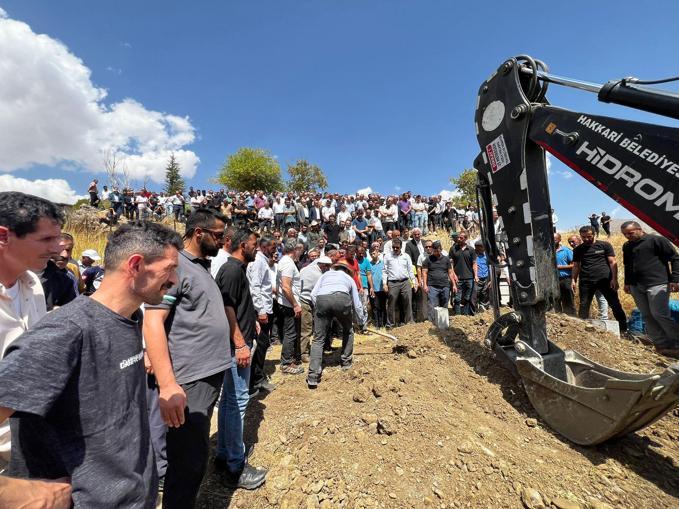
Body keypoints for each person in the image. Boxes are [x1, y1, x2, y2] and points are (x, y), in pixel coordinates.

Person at [0, 221, 184, 508]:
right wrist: (13, 493)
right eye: (169, 268)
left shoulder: (127, 321)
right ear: (135, 265)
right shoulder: (65, 333)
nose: (174, 280)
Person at [143, 208, 232, 509]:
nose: (223, 241)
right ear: (199, 233)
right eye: (218, 235)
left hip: (205, 374)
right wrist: (168, 385)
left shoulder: (199, 267)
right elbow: (153, 320)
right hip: (189, 377)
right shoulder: (176, 266)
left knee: (192, 456)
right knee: (187, 461)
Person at [0, 192, 63, 478]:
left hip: (31, 444)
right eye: (46, 239)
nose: (58, 247)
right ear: (4, 236)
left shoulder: (34, 284)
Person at [214, 229, 267, 490]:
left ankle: (224, 454)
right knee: (238, 402)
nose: (257, 248)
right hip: (236, 347)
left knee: (228, 402)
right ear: (243, 245)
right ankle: (236, 465)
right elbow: (226, 307)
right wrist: (239, 343)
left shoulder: (235, 269)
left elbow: (237, 303)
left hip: (238, 342)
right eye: (255, 245)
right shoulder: (233, 270)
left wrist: (253, 319)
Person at [621, 221, 679, 355]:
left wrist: (676, 279)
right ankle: (661, 345)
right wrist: (627, 283)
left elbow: (675, 258)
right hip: (637, 286)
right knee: (647, 315)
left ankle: (677, 341)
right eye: (625, 234)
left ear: (639, 229)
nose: (627, 236)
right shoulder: (627, 246)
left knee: (660, 314)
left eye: (630, 233)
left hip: (657, 283)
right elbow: (627, 265)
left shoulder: (656, 240)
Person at [307, 261, 365, 388]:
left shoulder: (325, 275)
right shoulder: (348, 278)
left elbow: (312, 295)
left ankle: (313, 375)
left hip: (322, 299)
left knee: (318, 339)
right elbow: (357, 303)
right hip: (341, 298)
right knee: (348, 331)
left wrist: (321, 309)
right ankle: (346, 362)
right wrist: (361, 322)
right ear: (346, 271)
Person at [572, 225, 627, 333]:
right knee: (583, 305)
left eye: (589, 236)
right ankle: (582, 330)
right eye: (583, 237)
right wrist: (573, 280)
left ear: (594, 234)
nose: (586, 239)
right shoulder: (578, 249)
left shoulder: (604, 245)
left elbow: (612, 262)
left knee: (614, 304)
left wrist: (614, 279)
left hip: (605, 280)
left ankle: (624, 329)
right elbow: (576, 266)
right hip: (586, 281)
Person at [247, 236, 277, 396]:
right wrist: (261, 311)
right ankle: (255, 380)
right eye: (273, 247)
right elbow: (255, 287)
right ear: (264, 247)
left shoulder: (262, 260)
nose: (275, 250)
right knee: (261, 344)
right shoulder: (258, 261)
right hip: (262, 310)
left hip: (264, 308)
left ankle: (256, 378)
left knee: (262, 344)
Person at [277, 238, 305, 375]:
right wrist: (295, 304)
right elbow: (286, 287)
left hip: (288, 303)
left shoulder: (286, 262)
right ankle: (286, 363)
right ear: (295, 250)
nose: (300, 253)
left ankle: (290, 359)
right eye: (300, 250)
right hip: (289, 304)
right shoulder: (288, 263)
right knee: (290, 333)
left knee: (291, 333)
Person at [299, 255, 333, 363]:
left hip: (305, 300)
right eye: (327, 267)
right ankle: (304, 354)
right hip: (306, 302)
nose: (328, 269)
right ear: (323, 265)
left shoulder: (306, 268)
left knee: (306, 329)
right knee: (306, 329)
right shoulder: (318, 275)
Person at [382, 238, 418, 327]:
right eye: (393, 247)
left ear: (401, 247)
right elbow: (384, 271)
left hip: (405, 282)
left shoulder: (406, 256)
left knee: (408, 302)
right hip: (392, 283)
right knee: (391, 304)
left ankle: (409, 322)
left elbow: (410, 270)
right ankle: (390, 324)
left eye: (397, 248)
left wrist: (414, 282)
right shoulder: (387, 256)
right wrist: (384, 283)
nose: (395, 249)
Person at [422, 240, 457, 317]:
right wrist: (425, 285)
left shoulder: (446, 259)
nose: (436, 252)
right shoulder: (428, 259)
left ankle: (443, 321)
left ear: (441, 249)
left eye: (437, 250)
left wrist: (454, 284)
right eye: (434, 251)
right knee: (432, 305)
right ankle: (431, 321)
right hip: (432, 286)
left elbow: (450, 272)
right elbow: (424, 273)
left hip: (445, 285)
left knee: (444, 304)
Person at [449, 231, 477, 315]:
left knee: (467, 298)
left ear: (465, 239)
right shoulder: (453, 249)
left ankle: (466, 314)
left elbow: (474, 263)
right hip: (458, 278)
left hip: (469, 277)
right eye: (458, 237)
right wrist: (453, 275)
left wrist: (476, 275)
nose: (458, 239)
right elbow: (450, 264)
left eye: (461, 238)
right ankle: (458, 315)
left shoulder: (471, 250)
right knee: (457, 298)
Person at [554, 233, 576, 316]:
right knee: (556, 300)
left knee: (568, 300)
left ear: (559, 240)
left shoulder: (566, 251)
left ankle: (571, 318)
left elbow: (574, 264)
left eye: (555, 240)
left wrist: (560, 267)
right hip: (553, 280)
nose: (553, 241)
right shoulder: (548, 251)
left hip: (566, 279)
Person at [369, 246, 387, 328]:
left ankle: (384, 323)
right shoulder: (369, 264)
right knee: (376, 307)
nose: (373, 255)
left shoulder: (383, 263)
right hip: (375, 289)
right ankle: (377, 324)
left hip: (382, 289)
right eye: (371, 254)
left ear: (377, 253)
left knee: (383, 306)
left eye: (374, 253)